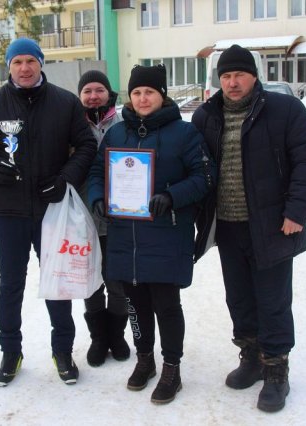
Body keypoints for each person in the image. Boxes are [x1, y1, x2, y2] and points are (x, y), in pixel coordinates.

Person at [192, 44, 306, 412]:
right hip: (227, 226)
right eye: (226, 76)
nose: (232, 82)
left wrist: (297, 210)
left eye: (240, 75)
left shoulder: (284, 110)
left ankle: (276, 368)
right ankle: (251, 355)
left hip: (272, 225)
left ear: (254, 76)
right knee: (239, 297)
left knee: (273, 299)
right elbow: (194, 166)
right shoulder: (206, 116)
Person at [0, 38, 97, 386]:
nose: (24, 68)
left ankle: (62, 350)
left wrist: (65, 179)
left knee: (57, 281)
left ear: (41, 63)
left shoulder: (65, 102)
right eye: (17, 62)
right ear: (8, 66)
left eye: (31, 61)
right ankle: (10, 351)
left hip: (52, 210)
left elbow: (86, 146)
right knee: (10, 283)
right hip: (10, 211)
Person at [88, 64, 215, 404]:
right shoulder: (117, 134)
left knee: (166, 305)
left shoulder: (184, 133)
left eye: (149, 92)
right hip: (125, 236)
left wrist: (172, 196)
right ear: (129, 96)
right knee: (135, 304)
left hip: (166, 233)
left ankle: (172, 367)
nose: (143, 98)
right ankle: (145, 359)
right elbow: (97, 172)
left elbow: (204, 177)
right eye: (137, 92)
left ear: (162, 95)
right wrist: (98, 197)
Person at [76, 70, 129, 367]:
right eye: (87, 91)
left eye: (99, 90)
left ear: (109, 93)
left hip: (120, 218)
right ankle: (98, 338)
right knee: (91, 282)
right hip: (83, 217)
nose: (93, 96)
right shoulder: (71, 126)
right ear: (80, 96)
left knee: (118, 281)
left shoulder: (124, 124)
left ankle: (116, 335)